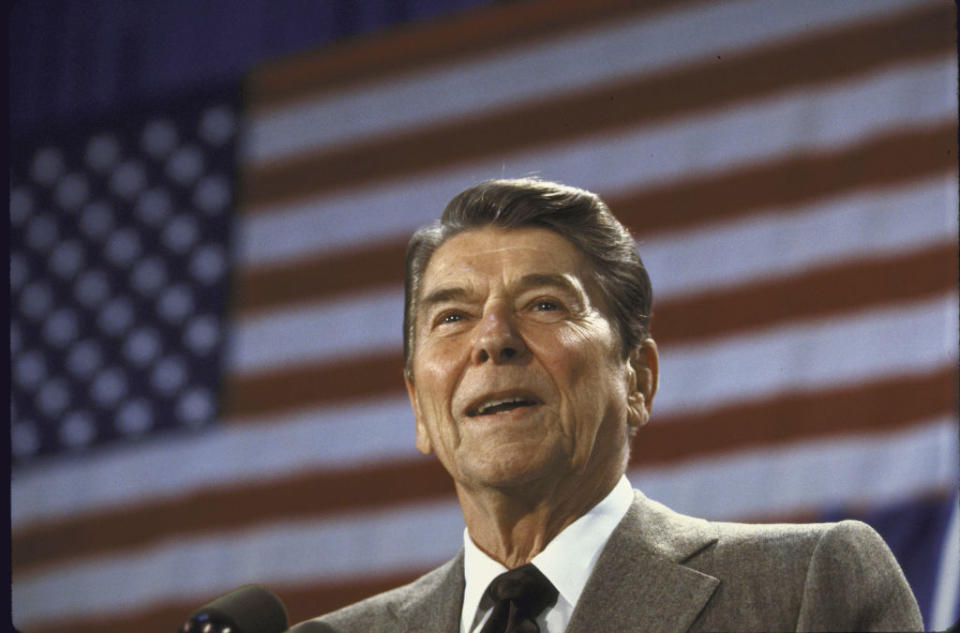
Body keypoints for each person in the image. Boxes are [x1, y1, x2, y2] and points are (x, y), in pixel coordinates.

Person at [290, 178, 923, 632]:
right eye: (452, 316)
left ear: (638, 380)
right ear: (420, 410)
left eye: (544, 304)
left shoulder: (802, 587)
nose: (492, 339)